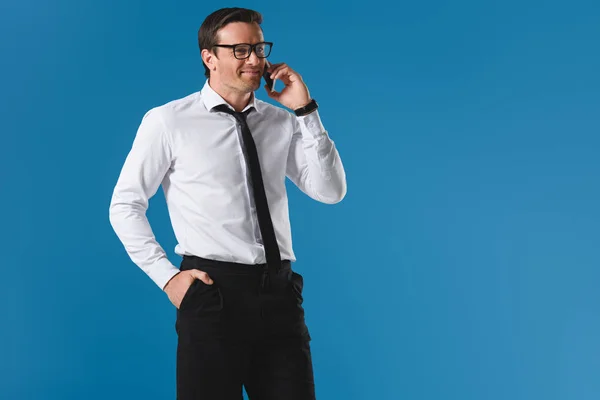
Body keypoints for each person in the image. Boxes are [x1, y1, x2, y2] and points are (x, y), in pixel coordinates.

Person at [109, 7, 346, 400]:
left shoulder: (280, 122)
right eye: (240, 50)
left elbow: (330, 191)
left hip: (280, 295)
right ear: (209, 57)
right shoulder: (169, 121)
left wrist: (305, 111)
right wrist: (167, 278)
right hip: (212, 294)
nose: (254, 59)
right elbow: (125, 205)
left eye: (258, 48)